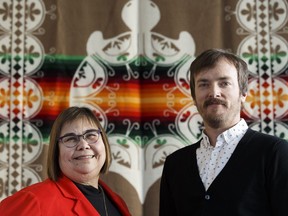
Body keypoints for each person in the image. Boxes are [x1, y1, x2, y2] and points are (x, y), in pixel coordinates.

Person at [159, 48, 288, 215]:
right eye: (204, 84)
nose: (214, 92)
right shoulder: (174, 164)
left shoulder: (275, 153)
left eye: (224, 83)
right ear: (193, 96)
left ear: (243, 93)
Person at [0, 106, 131, 216]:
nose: (83, 144)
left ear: (104, 144)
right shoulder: (34, 200)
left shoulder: (118, 202)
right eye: (70, 139)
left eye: (91, 135)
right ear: (56, 152)